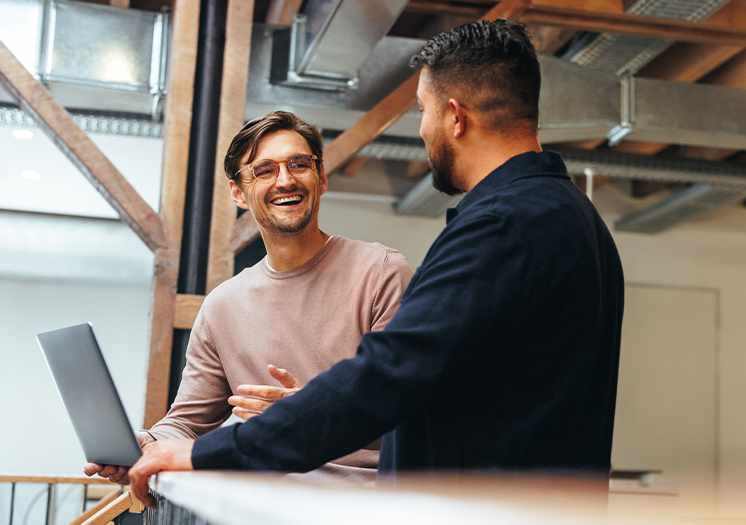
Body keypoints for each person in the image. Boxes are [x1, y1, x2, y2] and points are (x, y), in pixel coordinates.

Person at [129, 18, 624, 506]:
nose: (425, 129)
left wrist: (216, 450)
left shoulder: (502, 225)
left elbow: (386, 378)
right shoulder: (573, 217)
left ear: (455, 116)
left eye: (423, 110)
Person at [85, 110, 414, 485]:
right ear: (238, 192)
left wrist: (313, 411)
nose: (286, 180)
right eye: (264, 170)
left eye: (299, 164)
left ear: (321, 177)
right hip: (256, 504)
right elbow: (188, 423)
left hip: (363, 502)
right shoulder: (222, 305)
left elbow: (406, 402)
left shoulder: (382, 271)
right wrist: (150, 442)